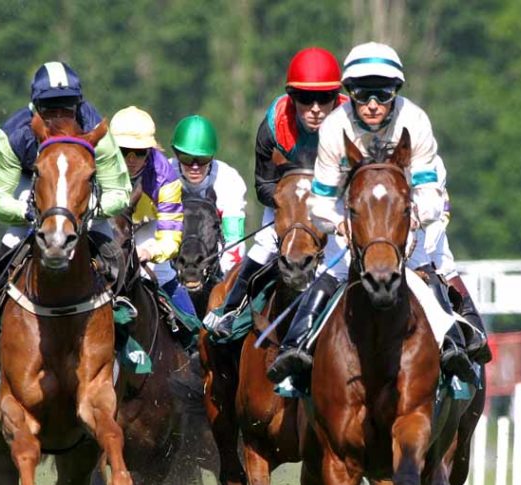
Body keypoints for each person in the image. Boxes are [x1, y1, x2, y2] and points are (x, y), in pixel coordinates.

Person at [266, 41, 490, 384]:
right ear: (349, 94)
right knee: (333, 269)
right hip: (355, 215)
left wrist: (411, 222)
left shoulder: (415, 121)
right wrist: (340, 225)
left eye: (382, 96)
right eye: (362, 95)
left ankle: (457, 344)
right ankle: (296, 347)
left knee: (427, 268)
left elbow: (430, 194)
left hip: (409, 212)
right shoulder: (334, 128)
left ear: (395, 93)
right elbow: (320, 203)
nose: (372, 105)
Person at [0, 62, 132, 333]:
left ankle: (123, 305)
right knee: (13, 239)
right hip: (35, 186)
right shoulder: (14, 135)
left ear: (78, 104)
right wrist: (25, 212)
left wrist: (86, 210)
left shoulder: (95, 128)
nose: (59, 115)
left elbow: (119, 190)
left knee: (113, 250)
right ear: (35, 106)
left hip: (80, 193)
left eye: (67, 107)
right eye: (49, 108)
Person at [204, 47, 347, 336]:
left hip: (334, 202)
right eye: (305, 99)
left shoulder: (351, 124)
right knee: (265, 245)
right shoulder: (273, 126)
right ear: (292, 98)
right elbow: (263, 186)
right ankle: (231, 310)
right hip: (288, 203)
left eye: (324, 98)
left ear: (336, 97)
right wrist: (295, 206)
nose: (315, 108)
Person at [108, 106, 197, 317]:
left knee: (163, 273)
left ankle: (192, 331)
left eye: (139, 152)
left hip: (146, 228)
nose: (131, 159)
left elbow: (170, 235)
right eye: (124, 151)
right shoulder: (96, 164)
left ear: (150, 149)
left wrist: (151, 252)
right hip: (108, 224)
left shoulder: (165, 177)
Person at [168, 115, 247, 274]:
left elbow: (233, 237)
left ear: (212, 156)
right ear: (176, 155)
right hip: (171, 250)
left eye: (203, 159)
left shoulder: (229, 179)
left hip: (212, 255)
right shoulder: (164, 174)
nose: (195, 167)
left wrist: (223, 278)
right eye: (186, 158)